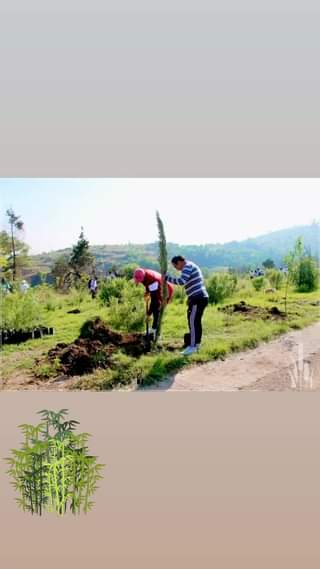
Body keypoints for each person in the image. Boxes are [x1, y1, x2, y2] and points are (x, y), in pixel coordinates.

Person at [165, 256, 208, 356]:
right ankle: (196, 344)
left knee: (192, 322)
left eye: (175, 266)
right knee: (196, 321)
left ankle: (192, 346)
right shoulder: (191, 265)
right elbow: (193, 282)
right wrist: (189, 297)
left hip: (197, 298)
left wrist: (167, 278)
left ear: (180, 262)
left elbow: (181, 281)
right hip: (199, 297)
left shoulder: (187, 267)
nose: (176, 268)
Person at [133, 268, 174, 339]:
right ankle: (153, 329)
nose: (139, 282)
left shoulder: (152, 280)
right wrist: (147, 292)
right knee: (155, 310)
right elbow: (146, 284)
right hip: (157, 286)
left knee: (157, 309)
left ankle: (157, 333)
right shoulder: (143, 273)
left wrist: (148, 314)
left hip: (166, 290)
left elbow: (154, 301)